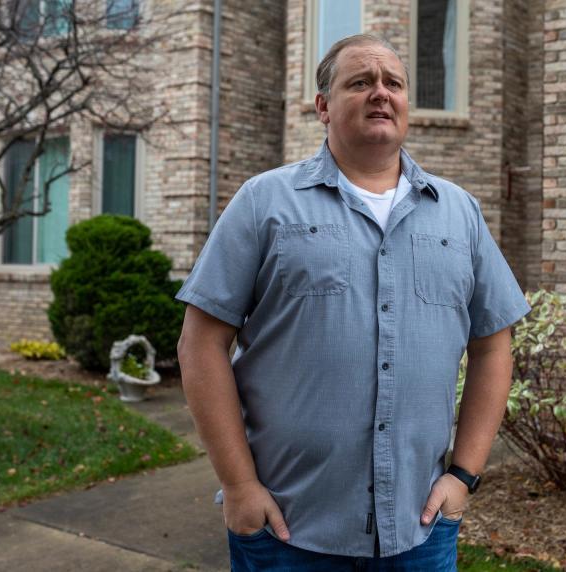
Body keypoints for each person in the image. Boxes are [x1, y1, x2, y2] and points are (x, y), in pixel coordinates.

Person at [175, 34, 530, 571]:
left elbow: (493, 345)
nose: (380, 93)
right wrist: (240, 485)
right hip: (287, 529)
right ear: (323, 106)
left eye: (393, 83)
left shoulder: (459, 213)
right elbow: (201, 342)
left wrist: (463, 475)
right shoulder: (264, 201)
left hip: (421, 529)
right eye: (360, 82)